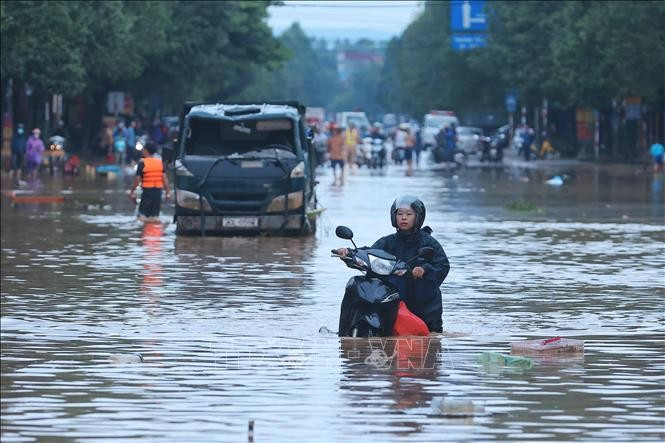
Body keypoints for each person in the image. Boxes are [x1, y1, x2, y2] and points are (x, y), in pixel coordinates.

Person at [335, 196, 450, 332]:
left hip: (423, 302)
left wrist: (424, 269)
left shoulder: (429, 242)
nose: (404, 218)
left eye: (408, 214)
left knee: (430, 342)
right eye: (400, 214)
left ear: (417, 217)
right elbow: (371, 252)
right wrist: (349, 253)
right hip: (392, 298)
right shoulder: (388, 241)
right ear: (394, 216)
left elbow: (443, 266)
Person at [130, 142, 171, 220]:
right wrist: (168, 192)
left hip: (147, 192)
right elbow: (165, 179)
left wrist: (132, 192)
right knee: (155, 216)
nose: (142, 151)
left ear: (146, 150)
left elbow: (137, 180)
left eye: (143, 149)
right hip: (158, 193)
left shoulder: (142, 163)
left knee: (142, 216)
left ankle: (144, 229)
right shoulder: (160, 163)